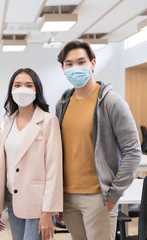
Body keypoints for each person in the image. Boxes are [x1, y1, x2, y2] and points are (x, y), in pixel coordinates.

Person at [55, 40, 142, 240]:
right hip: (68, 197)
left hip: (99, 198)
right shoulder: (63, 103)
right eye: (69, 64)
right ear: (63, 68)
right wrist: (57, 198)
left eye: (81, 61)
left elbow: (133, 151)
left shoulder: (111, 102)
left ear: (93, 63)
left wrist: (114, 195)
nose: (75, 67)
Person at [0, 68, 63, 240]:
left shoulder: (48, 121)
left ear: (36, 90)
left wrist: (48, 211)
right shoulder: (8, 123)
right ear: (11, 90)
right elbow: (6, 166)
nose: (22, 89)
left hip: (37, 202)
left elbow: (54, 169)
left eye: (28, 85)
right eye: (17, 85)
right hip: (13, 199)